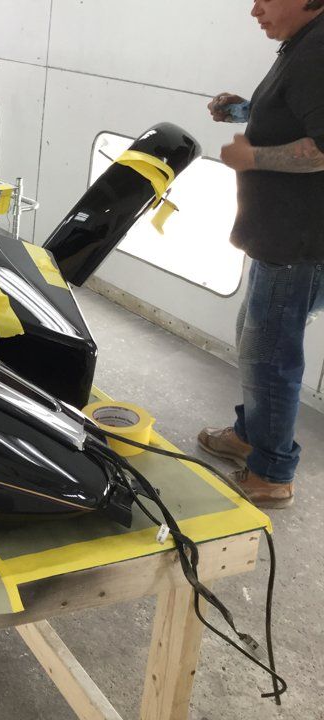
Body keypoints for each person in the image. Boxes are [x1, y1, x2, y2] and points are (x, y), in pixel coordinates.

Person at [199, 0, 324, 508]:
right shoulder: (301, 44)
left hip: (298, 243)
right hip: (279, 238)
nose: (255, 9)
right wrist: (244, 111)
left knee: (270, 356)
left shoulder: (319, 49)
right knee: (257, 344)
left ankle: (272, 473)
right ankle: (251, 435)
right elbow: (295, 116)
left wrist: (251, 157)